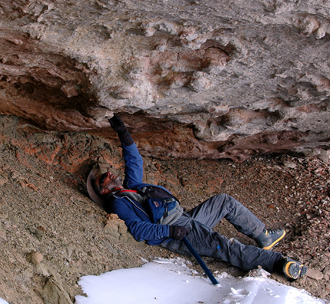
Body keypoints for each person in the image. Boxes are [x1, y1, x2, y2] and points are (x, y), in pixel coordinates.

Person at [87, 114, 307, 280]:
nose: (108, 173)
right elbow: (139, 229)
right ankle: (278, 263)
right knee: (224, 246)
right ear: (104, 191)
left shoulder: (132, 187)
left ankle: (263, 235)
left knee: (224, 201)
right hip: (176, 234)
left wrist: (123, 133)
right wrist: (171, 231)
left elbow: (134, 161)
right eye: (103, 179)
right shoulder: (119, 203)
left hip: (184, 220)